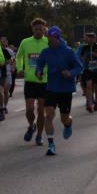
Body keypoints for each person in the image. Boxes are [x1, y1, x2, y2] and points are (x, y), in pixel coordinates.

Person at [34, 26, 84, 156]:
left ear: (59, 37)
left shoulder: (68, 52)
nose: (52, 41)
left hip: (66, 89)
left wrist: (70, 73)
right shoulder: (46, 52)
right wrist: (38, 72)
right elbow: (39, 65)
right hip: (51, 88)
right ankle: (51, 144)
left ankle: (68, 125)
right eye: (50, 38)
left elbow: (79, 67)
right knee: (48, 115)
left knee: (64, 118)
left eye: (54, 38)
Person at [15, 18, 50, 146]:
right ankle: (31, 125)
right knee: (29, 110)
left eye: (41, 29)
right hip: (30, 80)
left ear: (45, 29)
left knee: (41, 111)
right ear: (32, 30)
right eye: (36, 29)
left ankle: (40, 136)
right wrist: (19, 68)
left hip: (44, 81)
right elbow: (18, 56)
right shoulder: (25, 42)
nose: (38, 31)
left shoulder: (48, 42)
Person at [76, 31, 97, 112]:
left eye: (92, 38)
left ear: (95, 38)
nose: (90, 39)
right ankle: (89, 103)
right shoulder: (84, 47)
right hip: (87, 69)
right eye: (88, 38)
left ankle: (96, 101)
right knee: (88, 85)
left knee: (96, 87)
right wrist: (84, 58)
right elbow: (80, 57)